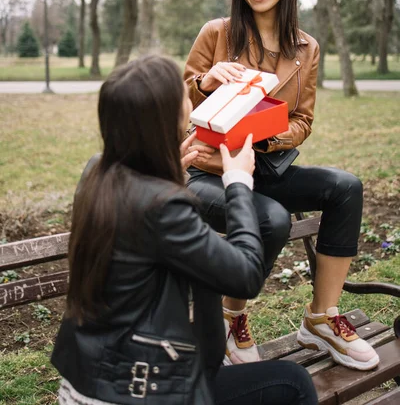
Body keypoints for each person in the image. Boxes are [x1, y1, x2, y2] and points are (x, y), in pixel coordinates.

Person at [51, 54, 318, 405]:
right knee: (294, 383)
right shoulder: (163, 205)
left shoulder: (98, 172)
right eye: (182, 96)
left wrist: (166, 174)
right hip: (139, 390)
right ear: (163, 121)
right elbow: (246, 275)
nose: (190, 102)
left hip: (88, 380)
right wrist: (237, 182)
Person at [184, 0, 379, 372]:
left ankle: (321, 319)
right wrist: (205, 82)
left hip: (266, 163)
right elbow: (179, 101)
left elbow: (303, 120)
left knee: (345, 187)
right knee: (268, 217)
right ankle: (232, 318)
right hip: (210, 171)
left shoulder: (305, 48)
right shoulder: (217, 33)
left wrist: (269, 136)